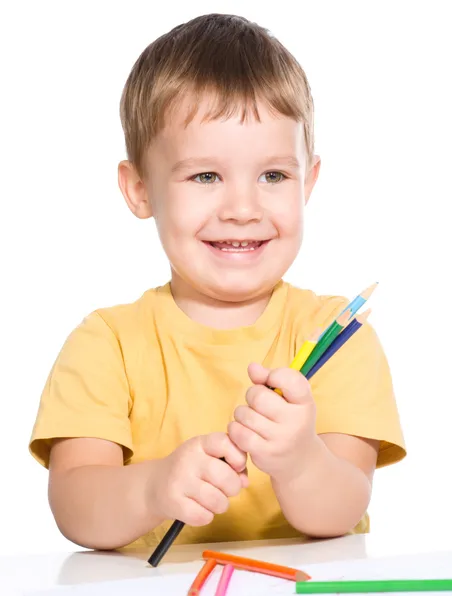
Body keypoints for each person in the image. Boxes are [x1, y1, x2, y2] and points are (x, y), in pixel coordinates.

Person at [29, 13, 405, 551]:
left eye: (273, 175)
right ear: (138, 189)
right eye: (206, 176)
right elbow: (74, 508)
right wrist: (153, 488)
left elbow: (343, 510)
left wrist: (298, 462)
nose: (242, 209)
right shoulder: (105, 342)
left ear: (309, 183)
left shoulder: (336, 335)